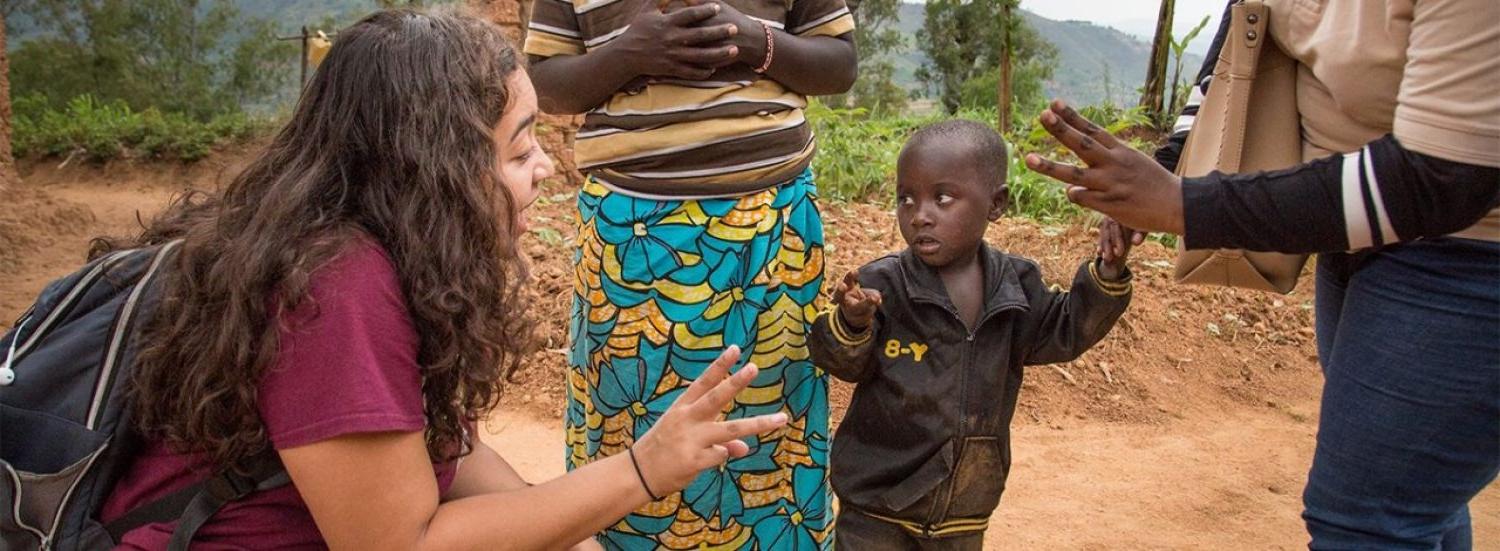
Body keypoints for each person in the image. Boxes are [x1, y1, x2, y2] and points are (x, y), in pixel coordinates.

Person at [97, 8, 786, 549]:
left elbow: (453, 452)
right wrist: (639, 471)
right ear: (438, 170)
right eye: (518, 150)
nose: (544, 168)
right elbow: (401, 542)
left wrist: (575, 538)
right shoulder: (336, 289)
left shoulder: (399, 259)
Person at [1025, 0, 1500, 547]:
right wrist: (1166, 166)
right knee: (1414, 496)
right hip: (1355, 234)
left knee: (1366, 521)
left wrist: (1186, 204)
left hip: (1469, 252)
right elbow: (1239, 39)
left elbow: (1444, 177)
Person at [524, 0, 857, 547]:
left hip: (774, 228)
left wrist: (757, 43)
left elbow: (839, 64)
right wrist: (631, 51)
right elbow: (546, 83)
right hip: (633, 237)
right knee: (633, 424)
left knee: (772, 427)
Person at [810, 121, 1134, 550]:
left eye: (942, 198)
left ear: (996, 204)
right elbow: (841, 363)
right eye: (906, 199)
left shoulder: (1016, 286)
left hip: (964, 509)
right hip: (876, 509)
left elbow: (1067, 328)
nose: (920, 214)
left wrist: (1106, 274)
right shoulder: (883, 284)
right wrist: (852, 324)